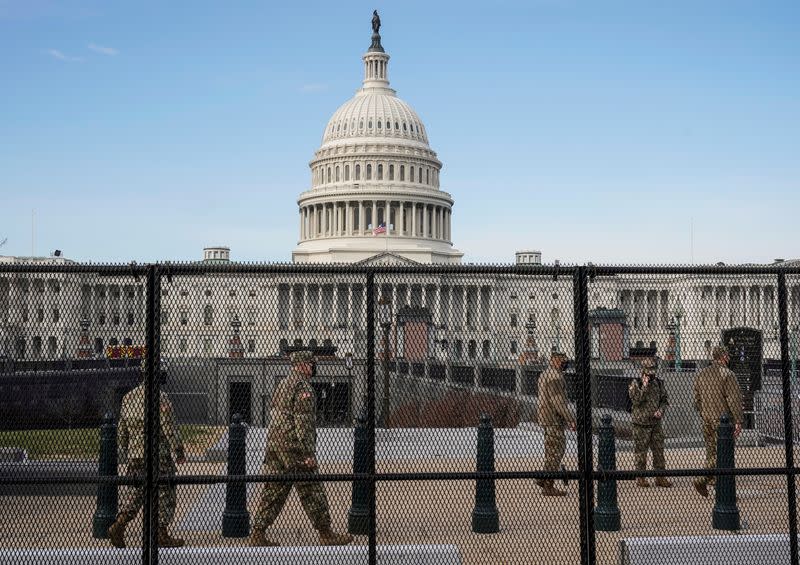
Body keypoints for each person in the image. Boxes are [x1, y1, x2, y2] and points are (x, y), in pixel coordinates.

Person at [249, 350, 353, 547]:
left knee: (274, 488)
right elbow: (303, 424)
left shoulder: (283, 383)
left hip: (275, 445)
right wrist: (308, 454)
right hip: (294, 447)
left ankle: (257, 532)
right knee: (312, 488)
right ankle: (326, 533)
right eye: (311, 364)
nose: (314, 367)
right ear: (303, 364)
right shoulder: (303, 387)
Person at [108, 358, 186, 548]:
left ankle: (120, 523)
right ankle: (160, 532)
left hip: (136, 454)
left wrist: (125, 448)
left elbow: (122, 430)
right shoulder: (160, 398)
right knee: (165, 491)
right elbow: (169, 427)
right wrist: (178, 450)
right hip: (158, 454)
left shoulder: (129, 397)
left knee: (136, 491)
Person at [692, 345, 743, 498]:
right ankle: (703, 479)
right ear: (724, 357)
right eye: (727, 355)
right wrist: (739, 420)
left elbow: (696, 401)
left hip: (707, 419)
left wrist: (704, 413)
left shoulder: (701, 374)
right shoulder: (727, 374)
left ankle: (715, 483)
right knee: (723, 453)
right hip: (723, 421)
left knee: (711, 452)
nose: (729, 357)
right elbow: (733, 399)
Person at [536, 350, 576, 496]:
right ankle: (548, 483)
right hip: (553, 418)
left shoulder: (545, 374)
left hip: (546, 416)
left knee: (550, 449)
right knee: (557, 450)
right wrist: (570, 418)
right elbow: (558, 401)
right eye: (562, 360)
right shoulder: (555, 377)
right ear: (555, 361)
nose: (564, 363)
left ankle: (544, 478)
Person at [628, 358, 672, 488]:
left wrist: (660, 410)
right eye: (649, 373)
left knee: (659, 451)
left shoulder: (658, 383)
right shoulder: (636, 383)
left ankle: (660, 476)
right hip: (641, 424)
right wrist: (645, 387)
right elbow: (636, 401)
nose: (651, 375)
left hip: (655, 423)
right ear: (643, 371)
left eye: (653, 372)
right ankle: (641, 477)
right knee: (641, 452)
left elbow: (664, 400)